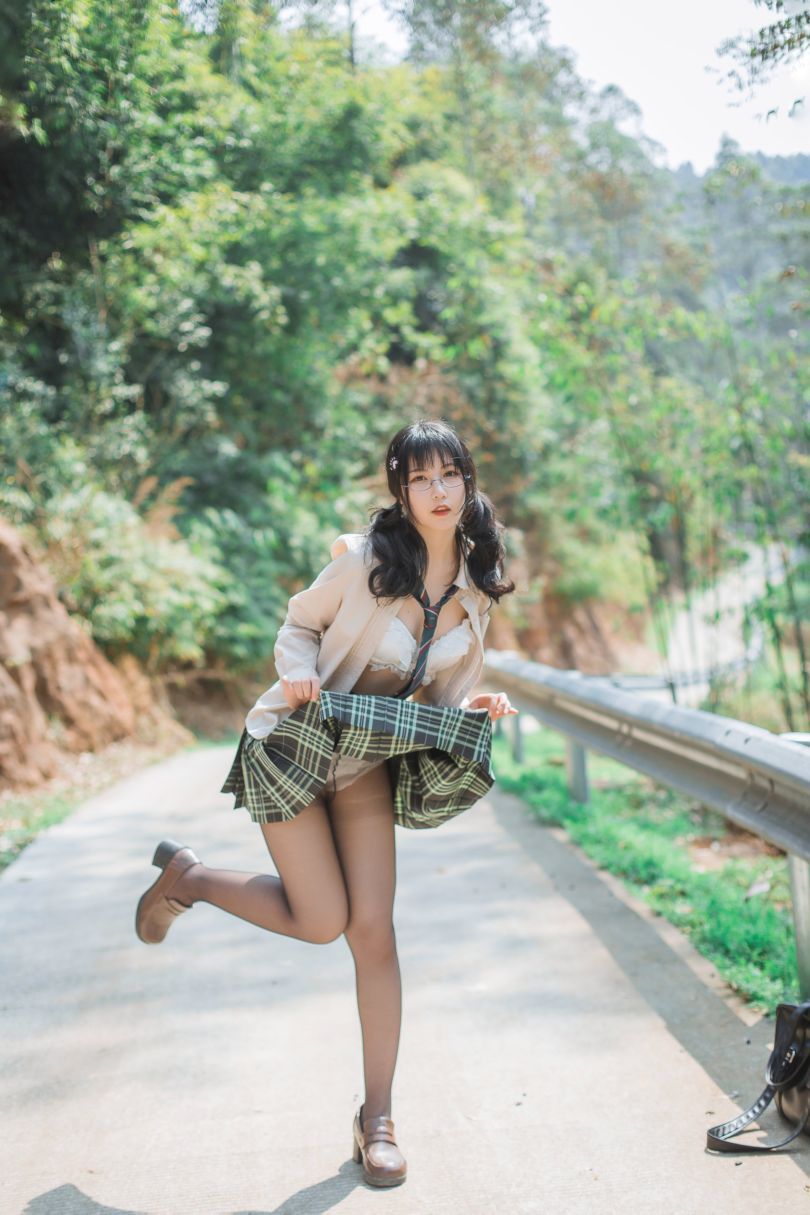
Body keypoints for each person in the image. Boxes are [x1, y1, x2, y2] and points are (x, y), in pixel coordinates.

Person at [134, 419, 518, 1188]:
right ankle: (189, 879)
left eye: (449, 474)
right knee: (319, 921)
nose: (437, 491)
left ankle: (379, 1120)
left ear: (468, 481)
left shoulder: (478, 584)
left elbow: (435, 691)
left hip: (365, 760)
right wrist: (300, 671)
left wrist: (472, 705)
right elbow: (298, 624)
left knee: (373, 931)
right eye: (419, 478)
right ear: (400, 490)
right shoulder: (366, 561)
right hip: (296, 744)